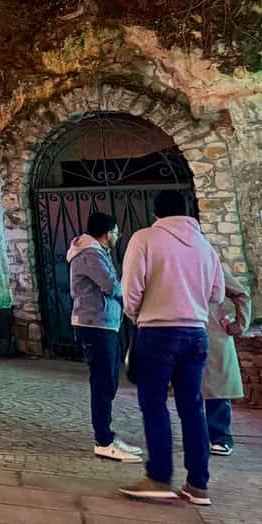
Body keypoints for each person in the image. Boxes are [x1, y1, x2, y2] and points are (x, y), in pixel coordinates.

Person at [119, 189, 224, 507]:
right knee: (193, 409)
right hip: (196, 333)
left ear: (157, 213)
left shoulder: (145, 239)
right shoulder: (205, 247)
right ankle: (198, 485)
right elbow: (217, 294)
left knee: (153, 404)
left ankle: (159, 477)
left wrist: (138, 314)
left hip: (157, 331)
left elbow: (132, 289)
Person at [66, 210, 142, 463]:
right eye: (116, 231)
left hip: (104, 324)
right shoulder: (90, 254)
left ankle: (106, 434)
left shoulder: (96, 252)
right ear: (107, 233)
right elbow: (111, 285)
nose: (118, 236)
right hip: (94, 324)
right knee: (103, 382)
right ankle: (103, 441)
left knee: (109, 380)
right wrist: (134, 297)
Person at [204, 263, 252, 456]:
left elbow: (240, 293)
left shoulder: (209, 261)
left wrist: (240, 325)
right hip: (184, 329)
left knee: (217, 386)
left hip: (212, 330)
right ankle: (198, 435)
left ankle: (220, 437)